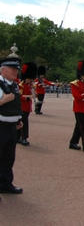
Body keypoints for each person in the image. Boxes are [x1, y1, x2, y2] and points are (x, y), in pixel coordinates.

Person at [0, 57, 24, 195]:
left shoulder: (14, 84)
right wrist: (3, 101)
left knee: (9, 157)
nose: (16, 72)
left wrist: (18, 119)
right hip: (1, 125)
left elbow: (16, 104)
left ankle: (5, 184)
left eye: (16, 69)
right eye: (13, 69)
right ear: (3, 70)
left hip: (11, 125)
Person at [69, 60, 84, 152]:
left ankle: (73, 143)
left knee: (79, 126)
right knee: (83, 127)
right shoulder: (75, 84)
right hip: (78, 108)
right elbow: (77, 96)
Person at [18, 62, 37, 146]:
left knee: (22, 122)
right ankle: (23, 138)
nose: (31, 80)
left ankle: (20, 137)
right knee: (23, 122)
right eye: (29, 78)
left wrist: (33, 90)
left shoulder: (30, 85)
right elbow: (19, 96)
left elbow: (34, 95)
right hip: (21, 107)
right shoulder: (21, 85)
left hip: (27, 107)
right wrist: (27, 97)